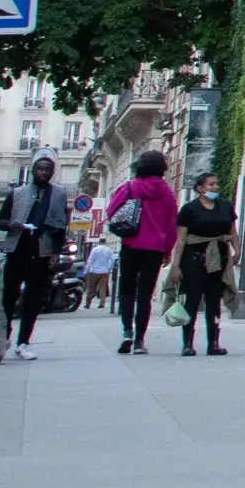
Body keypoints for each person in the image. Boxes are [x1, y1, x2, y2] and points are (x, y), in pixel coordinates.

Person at [99, 151, 178, 355]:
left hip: (131, 244)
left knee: (126, 290)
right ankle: (140, 340)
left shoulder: (130, 187)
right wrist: (167, 249)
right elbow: (171, 224)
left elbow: (111, 211)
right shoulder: (167, 192)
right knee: (145, 294)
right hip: (154, 249)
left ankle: (127, 332)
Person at [0, 156, 73, 360]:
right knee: (9, 296)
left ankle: (23, 342)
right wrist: (12, 224)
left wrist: (56, 252)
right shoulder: (17, 193)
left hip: (42, 251)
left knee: (33, 298)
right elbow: (0, 221)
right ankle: (3, 336)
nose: (44, 173)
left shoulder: (58, 194)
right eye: (40, 169)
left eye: (48, 170)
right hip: (17, 249)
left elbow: (60, 227)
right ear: (33, 170)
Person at [176, 171, 237, 356]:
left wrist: (237, 251)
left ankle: (214, 343)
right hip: (194, 258)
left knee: (214, 301)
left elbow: (233, 231)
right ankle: (187, 343)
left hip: (218, 258)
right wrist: (176, 265)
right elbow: (181, 239)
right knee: (192, 302)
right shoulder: (189, 209)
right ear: (200, 189)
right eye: (211, 184)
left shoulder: (225, 207)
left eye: (217, 183)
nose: (215, 187)